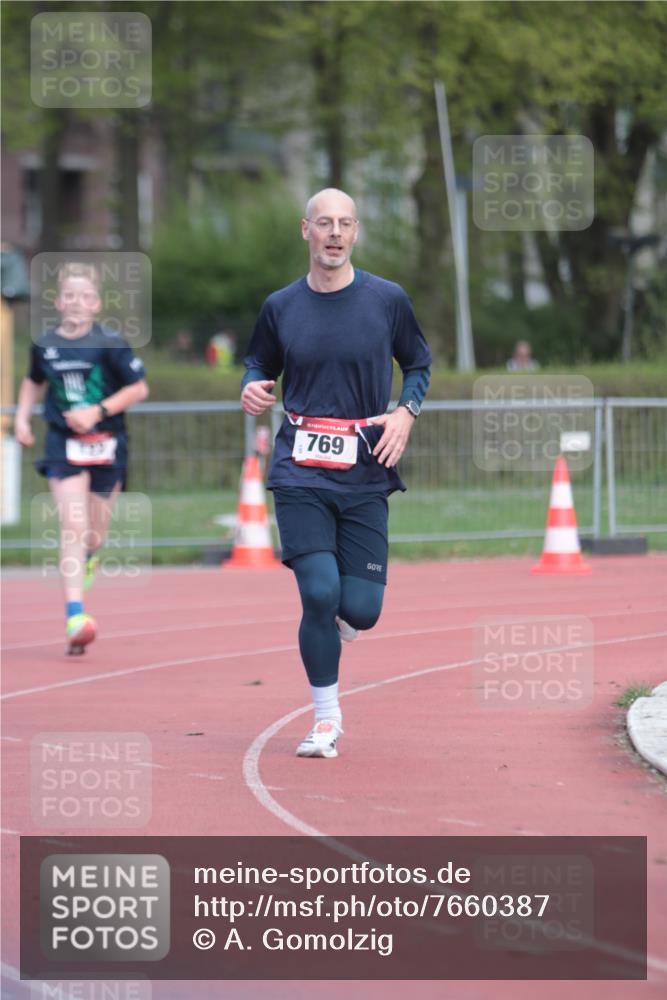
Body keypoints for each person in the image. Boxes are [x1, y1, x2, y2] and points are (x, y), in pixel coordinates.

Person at [241, 188, 431, 758]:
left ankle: (336, 629)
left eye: (345, 223)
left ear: (356, 232)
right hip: (300, 466)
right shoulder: (280, 306)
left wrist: (406, 412)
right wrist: (251, 385)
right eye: (324, 223)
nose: (335, 233)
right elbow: (259, 360)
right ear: (306, 230)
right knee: (319, 594)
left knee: (363, 611)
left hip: (368, 465)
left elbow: (418, 363)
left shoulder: (387, 300)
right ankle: (325, 718)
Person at [14, 262, 149, 654]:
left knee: (94, 533)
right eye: (68, 295)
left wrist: (97, 411)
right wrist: (22, 418)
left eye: (83, 296)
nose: (75, 302)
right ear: (59, 302)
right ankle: (75, 614)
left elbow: (138, 388)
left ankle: (89, 556)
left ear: (95, 303)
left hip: (107, 444)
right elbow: (32, 381)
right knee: (72, 526)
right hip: (64, 444)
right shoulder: (44, 345)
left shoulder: (110, 343)